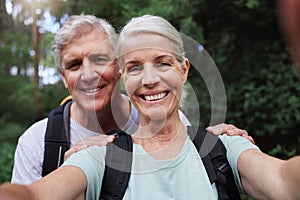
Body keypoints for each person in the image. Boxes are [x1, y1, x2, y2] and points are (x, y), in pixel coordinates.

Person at [1, 14, 299, 200]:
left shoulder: (218, 148)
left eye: (163, 63)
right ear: (124, 76)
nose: (150, 80)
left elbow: (285, 182)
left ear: (184, 70)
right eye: (135, 67)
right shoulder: (88, 154)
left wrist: (221, 140)